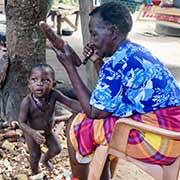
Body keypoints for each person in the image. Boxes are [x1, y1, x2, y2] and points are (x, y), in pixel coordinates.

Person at [52, 2, 180, 180]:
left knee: (79, 124)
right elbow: (114, 92)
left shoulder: (116, 64)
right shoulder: (134, 51)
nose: (91, 41)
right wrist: (98, 61)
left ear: (112, 33)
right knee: (105, 125)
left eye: (95, 34)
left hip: (159, 141)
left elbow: (94, 112)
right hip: (173, 132)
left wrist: (69, 68)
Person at [19, 64, 82, 175]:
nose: (39, 84)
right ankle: (35, 173)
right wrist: (33, 133)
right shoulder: (27, 102)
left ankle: (45, 160)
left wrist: (85, 109)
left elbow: (70, 102)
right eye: (34, 80)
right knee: (34, 155)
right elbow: (22, 122)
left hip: (47, 131)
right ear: (28, 83)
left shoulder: (54, 95)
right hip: (32, 132)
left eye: (46, 81)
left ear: (53, 84)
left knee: (56, 149)